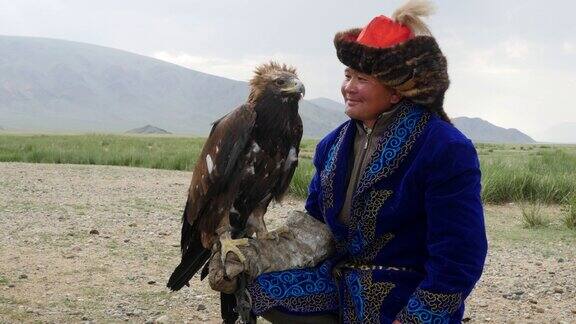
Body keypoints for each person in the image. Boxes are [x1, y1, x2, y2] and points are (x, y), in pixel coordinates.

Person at [210, 0, 488, 323]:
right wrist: (253, 256)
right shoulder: (332, 147)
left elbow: (459, 257)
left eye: (362, 79)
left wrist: (414, 319)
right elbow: (317, 230)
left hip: (403, 295)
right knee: (255, 286)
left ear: (396, 91)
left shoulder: (445, 149)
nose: (348, 88)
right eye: (347, 75)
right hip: (341, 287)